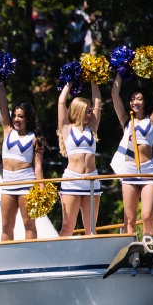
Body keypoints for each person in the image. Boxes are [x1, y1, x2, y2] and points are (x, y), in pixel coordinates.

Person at [110, 71, 153, 236]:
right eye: (133, 99)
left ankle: (151, 245)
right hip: (129, 169)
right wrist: (121, 72)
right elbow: (114, 94)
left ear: (145, 102)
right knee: (130, 217)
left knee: (147, 216)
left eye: (139, 98)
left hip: (148, 169)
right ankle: (130, 246)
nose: (135, 102)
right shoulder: (126, 120)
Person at [0, 86, 45, 241]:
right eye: (15, 116)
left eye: (21, 116)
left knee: (28, 224)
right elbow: (2, 104)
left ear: (27, 119)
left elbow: (37, 166)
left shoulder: (35, 139)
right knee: (6, 226)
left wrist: (42, 189)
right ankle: (5, 258)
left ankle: (30, 258)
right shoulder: (7, 131)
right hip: (8, 183)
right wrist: (0, 84)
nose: (16, 119)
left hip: (26, 183)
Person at [57, 81, 104, 236]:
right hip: (72, 181)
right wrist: (69, 82)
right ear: (77, 111)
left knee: (91, 228)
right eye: (86, 111)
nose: (89, 114)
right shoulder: (67, 128)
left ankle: (95, 259)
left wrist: (93, 79)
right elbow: (62, 101)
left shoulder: (92, 128)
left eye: (90, 111)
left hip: (92, 180)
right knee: (68, 226)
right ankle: (61, 258)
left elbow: (98, 101)